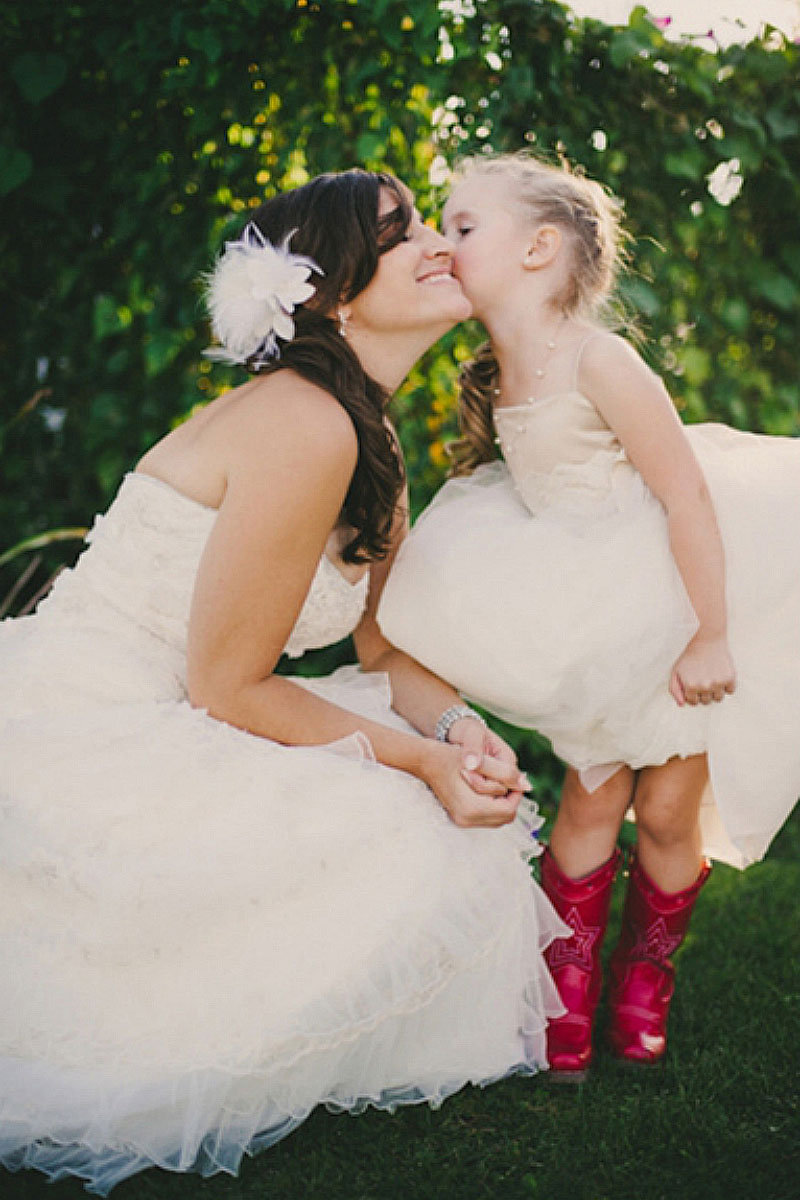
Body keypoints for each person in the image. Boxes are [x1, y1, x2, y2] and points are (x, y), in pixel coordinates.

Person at [0, 168, 570, 1193]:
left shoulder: (367, 432)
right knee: (394, 824)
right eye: (400, 234)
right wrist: (413, 767)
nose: (436, 243)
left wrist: (453, 734)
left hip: (191, 702)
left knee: (430, 813)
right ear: (334, 291)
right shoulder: (305, 422)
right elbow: (228, 685)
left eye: (431, 224)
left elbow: (385, 653)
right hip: (101, 716)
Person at [377, 152, 800, 1080]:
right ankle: (565, 984)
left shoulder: (598, 357)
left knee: (666, 808)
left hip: (665, 601)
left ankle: (646, 977)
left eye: (461, 226)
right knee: (593, 791)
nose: (443, 245)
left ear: (538, 248)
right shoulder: (497, 372)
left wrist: (711, 632)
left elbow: (686, 495)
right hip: (585, 606)